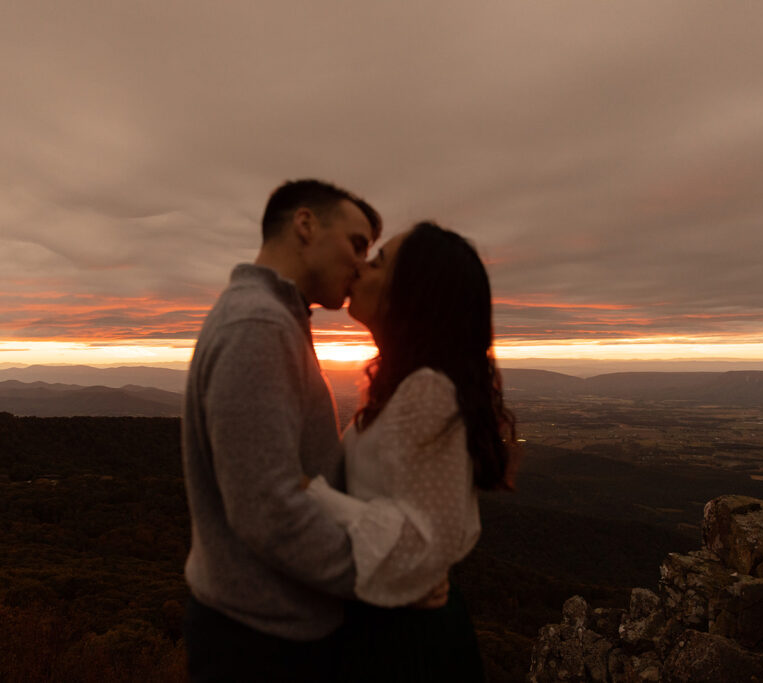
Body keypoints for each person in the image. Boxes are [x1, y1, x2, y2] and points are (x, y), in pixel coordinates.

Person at [179, 179, 383, 682]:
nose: (362, 263)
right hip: (264, 644)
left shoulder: (272, 318)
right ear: (306, 224)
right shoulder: (259, 325)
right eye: (357, 243)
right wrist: (381, 576)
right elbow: (267, 509)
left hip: (260, 629)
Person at [306, 221, 516, 682]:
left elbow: (423, 546)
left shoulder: (426, 391)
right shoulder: (397, 385)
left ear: (414, 292)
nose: (360, 266)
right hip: (392, 624)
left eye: (378, 261)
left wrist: (310, 495)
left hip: (409, 642)